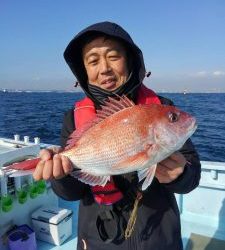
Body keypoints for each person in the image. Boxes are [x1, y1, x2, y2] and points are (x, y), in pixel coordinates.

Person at [33, 21, 201, 250]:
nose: (104, 69)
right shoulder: (73, 118)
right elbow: (71, 194)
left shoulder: (162, 107)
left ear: (130, 59)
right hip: (96, 239)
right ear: (84, 70)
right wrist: (60, 175)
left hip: (159, 238)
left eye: (113, 56)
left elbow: (191, 180)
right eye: (93, 61)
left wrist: (181, 175)